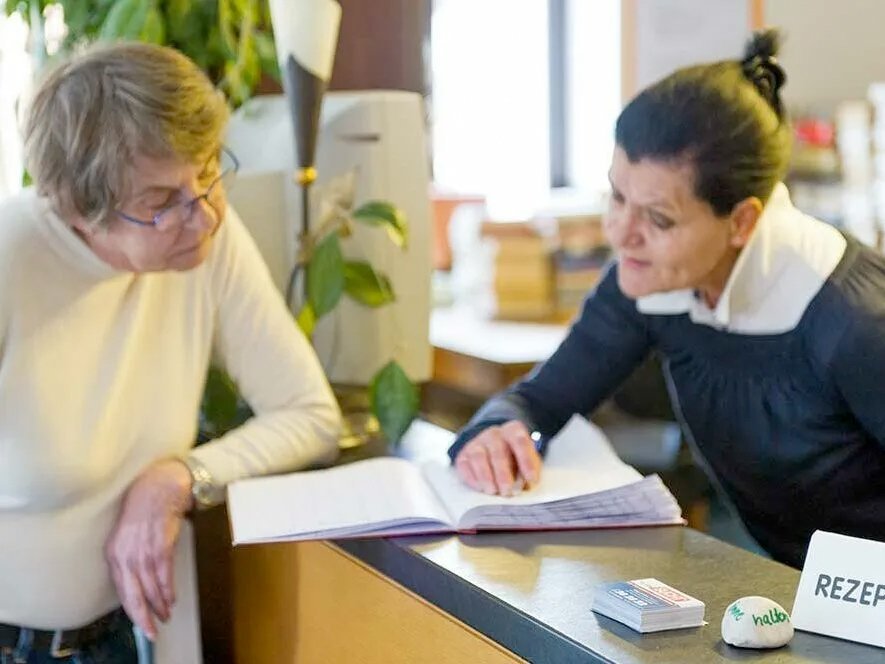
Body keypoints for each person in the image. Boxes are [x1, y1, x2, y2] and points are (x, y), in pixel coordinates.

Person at [449, 29, 885, 570]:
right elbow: (539, 401)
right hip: (787, 585)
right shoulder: (650, 278)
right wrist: (495, 434)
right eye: (616, 195)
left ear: (742, 221)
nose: (621, 233)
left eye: (658, 218)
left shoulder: (855, 322)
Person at [0, 43, 341, 661]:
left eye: (210, 172)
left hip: (118, 639)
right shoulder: (10, 261)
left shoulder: (204, 233)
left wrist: (176, 479)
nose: (205, 216)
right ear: (79, 209)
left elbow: (310, 414)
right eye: (160, 204)